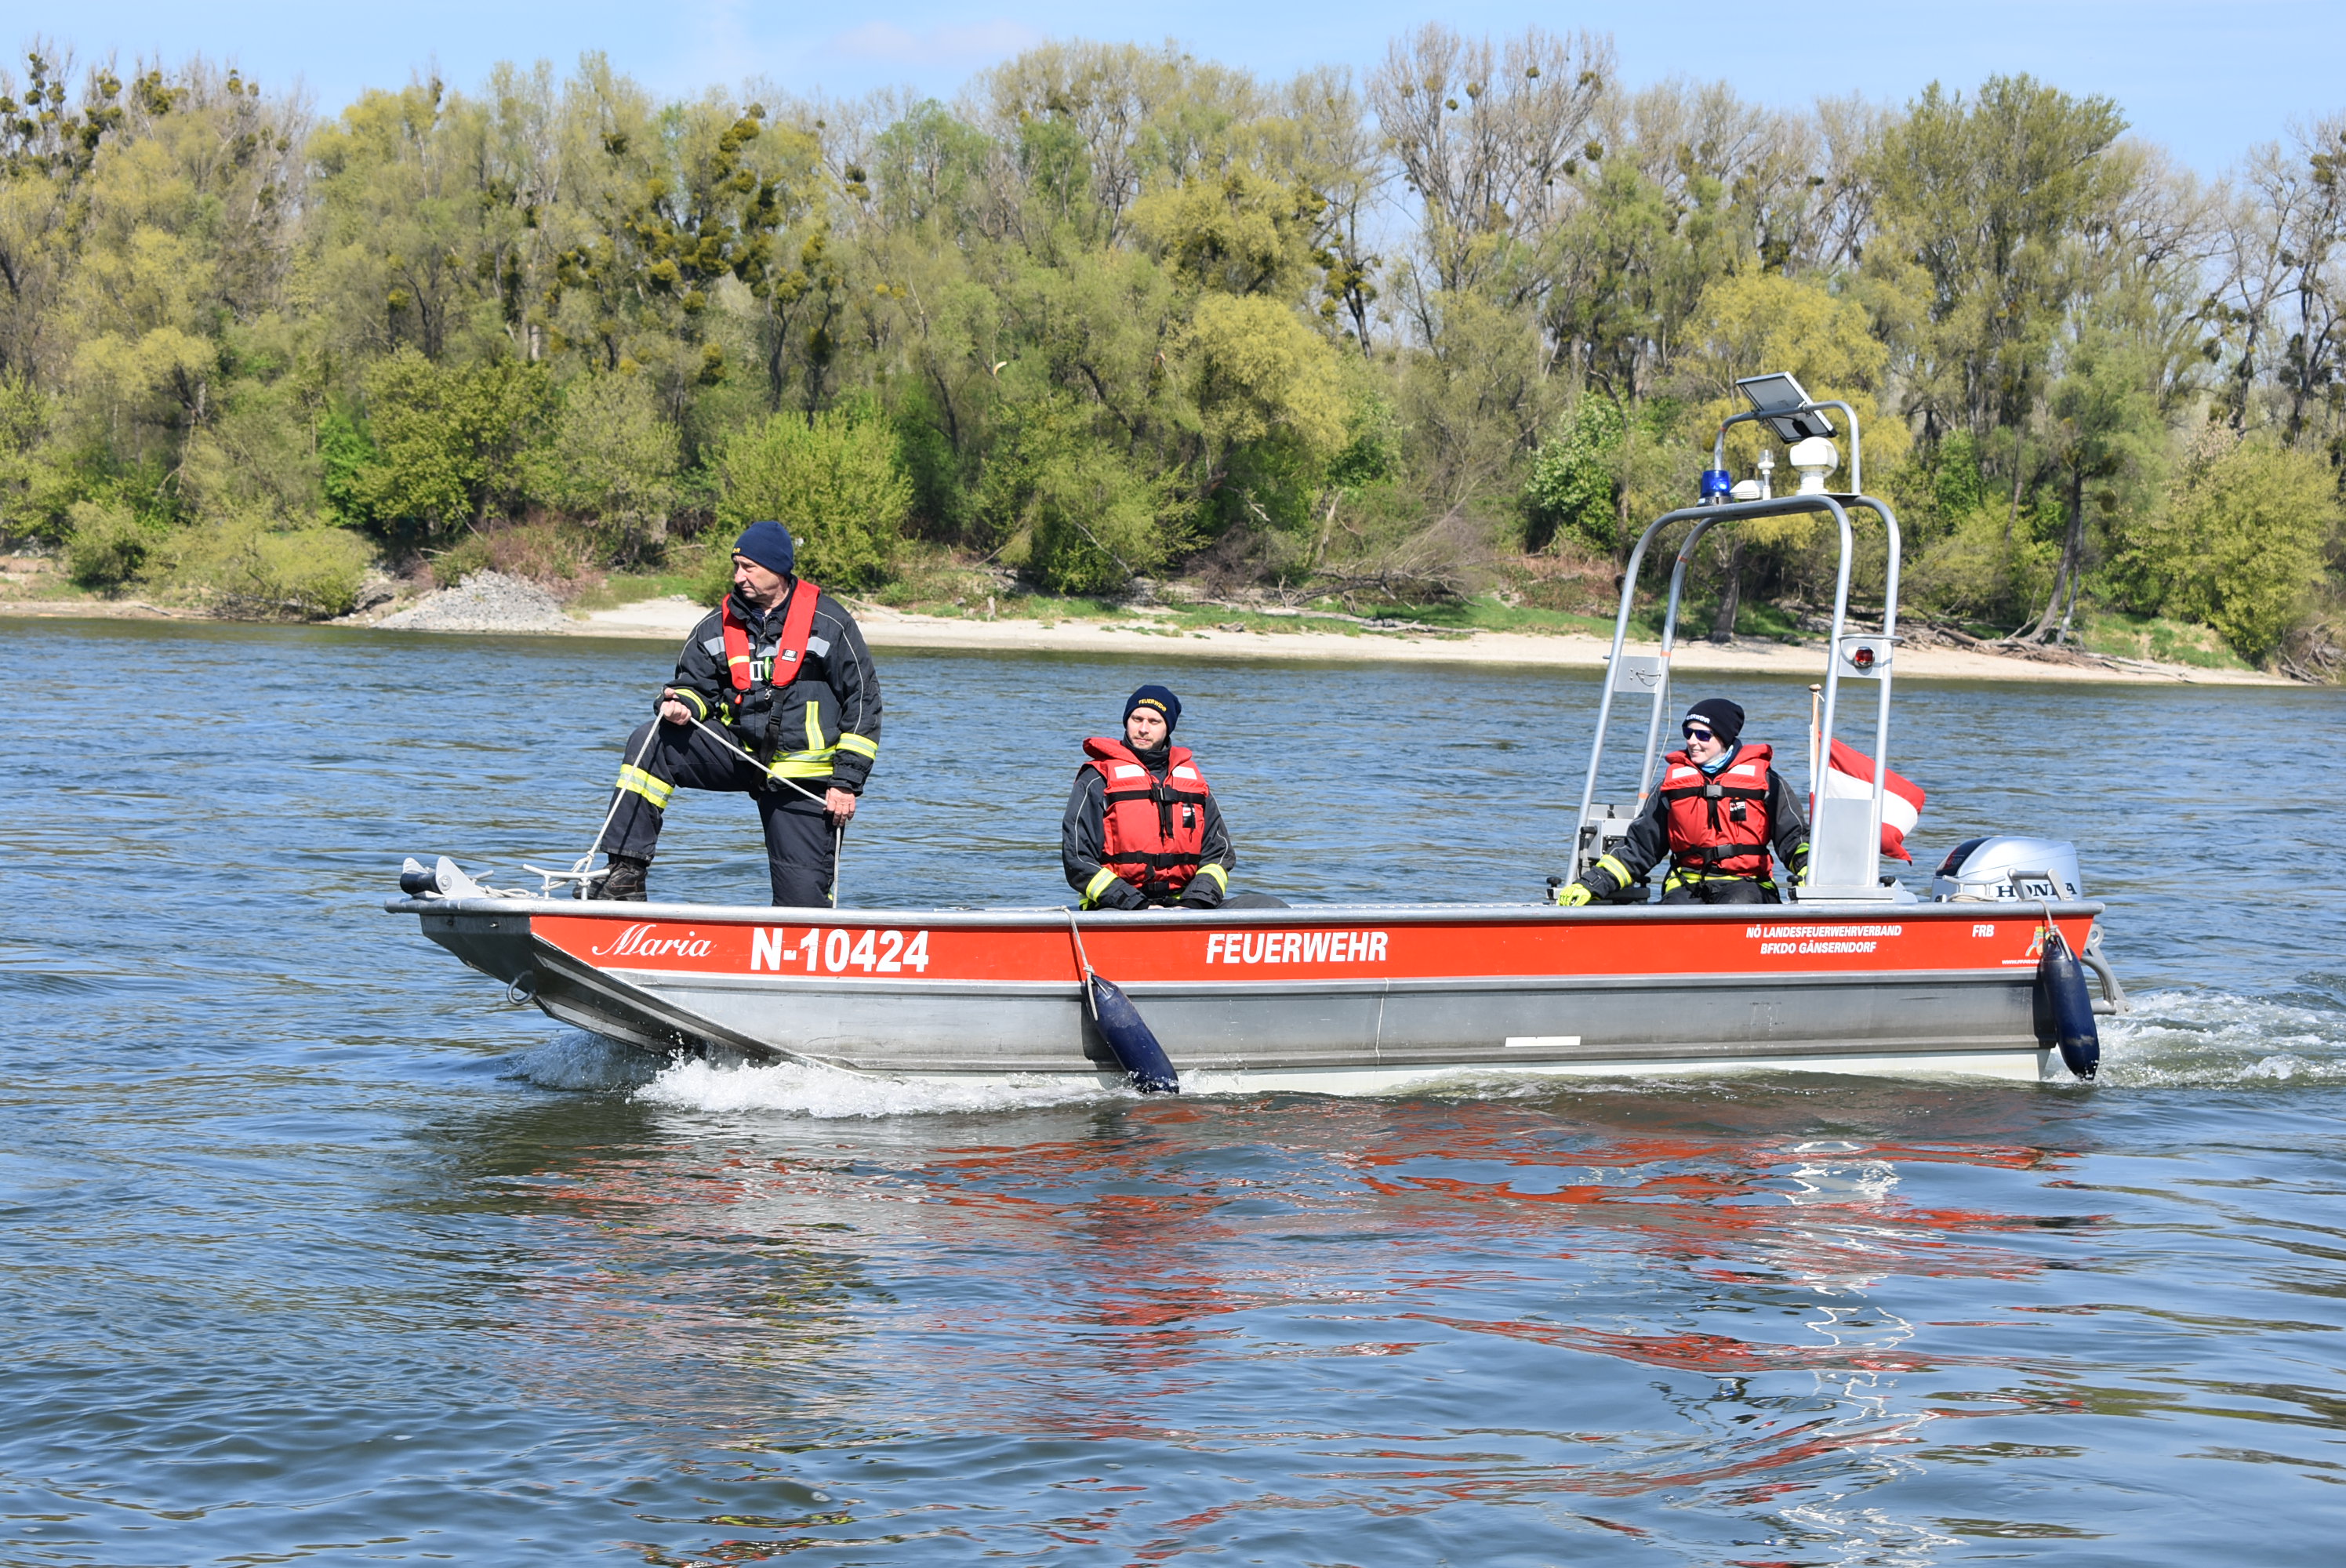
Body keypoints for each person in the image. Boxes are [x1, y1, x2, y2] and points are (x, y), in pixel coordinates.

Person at [589, 520, 881, 905]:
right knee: (650, 739)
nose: (738, 576)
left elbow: (864, 702)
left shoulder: (829, 623)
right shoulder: (716, 624)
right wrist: (681, 705)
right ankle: (624, 875)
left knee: (802, 906)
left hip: (804, 777)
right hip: (738, 755)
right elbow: (694, 685)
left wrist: (845, 782)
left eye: (749, 567)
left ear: (777, 569)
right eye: (736, 566)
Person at [1560, 697, 1808, 906]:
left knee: (1738, 904)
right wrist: (1592, 884)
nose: (1692, 741)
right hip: (1687, 887)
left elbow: (1794, 838)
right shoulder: (1671, 786)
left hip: (1749, 887)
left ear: (1724, 738)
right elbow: (1640, 848)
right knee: (1669, 917)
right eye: (1688, 733)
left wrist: (1809, 869)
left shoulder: (1767, 782)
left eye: (1702, 735)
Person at [1062, 684, 1234, 910]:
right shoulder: (1096, 780)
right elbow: (1077, 859)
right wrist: (1138, 906)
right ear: (1126, 721)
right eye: (1137, 719)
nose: (1143, 729)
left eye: (1154, 722)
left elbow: (1220, 855)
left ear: (1167, 728)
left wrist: (1194, 904)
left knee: (1267, 904)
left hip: (1186, 907)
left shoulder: (1194, 782)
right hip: (1116, 909)